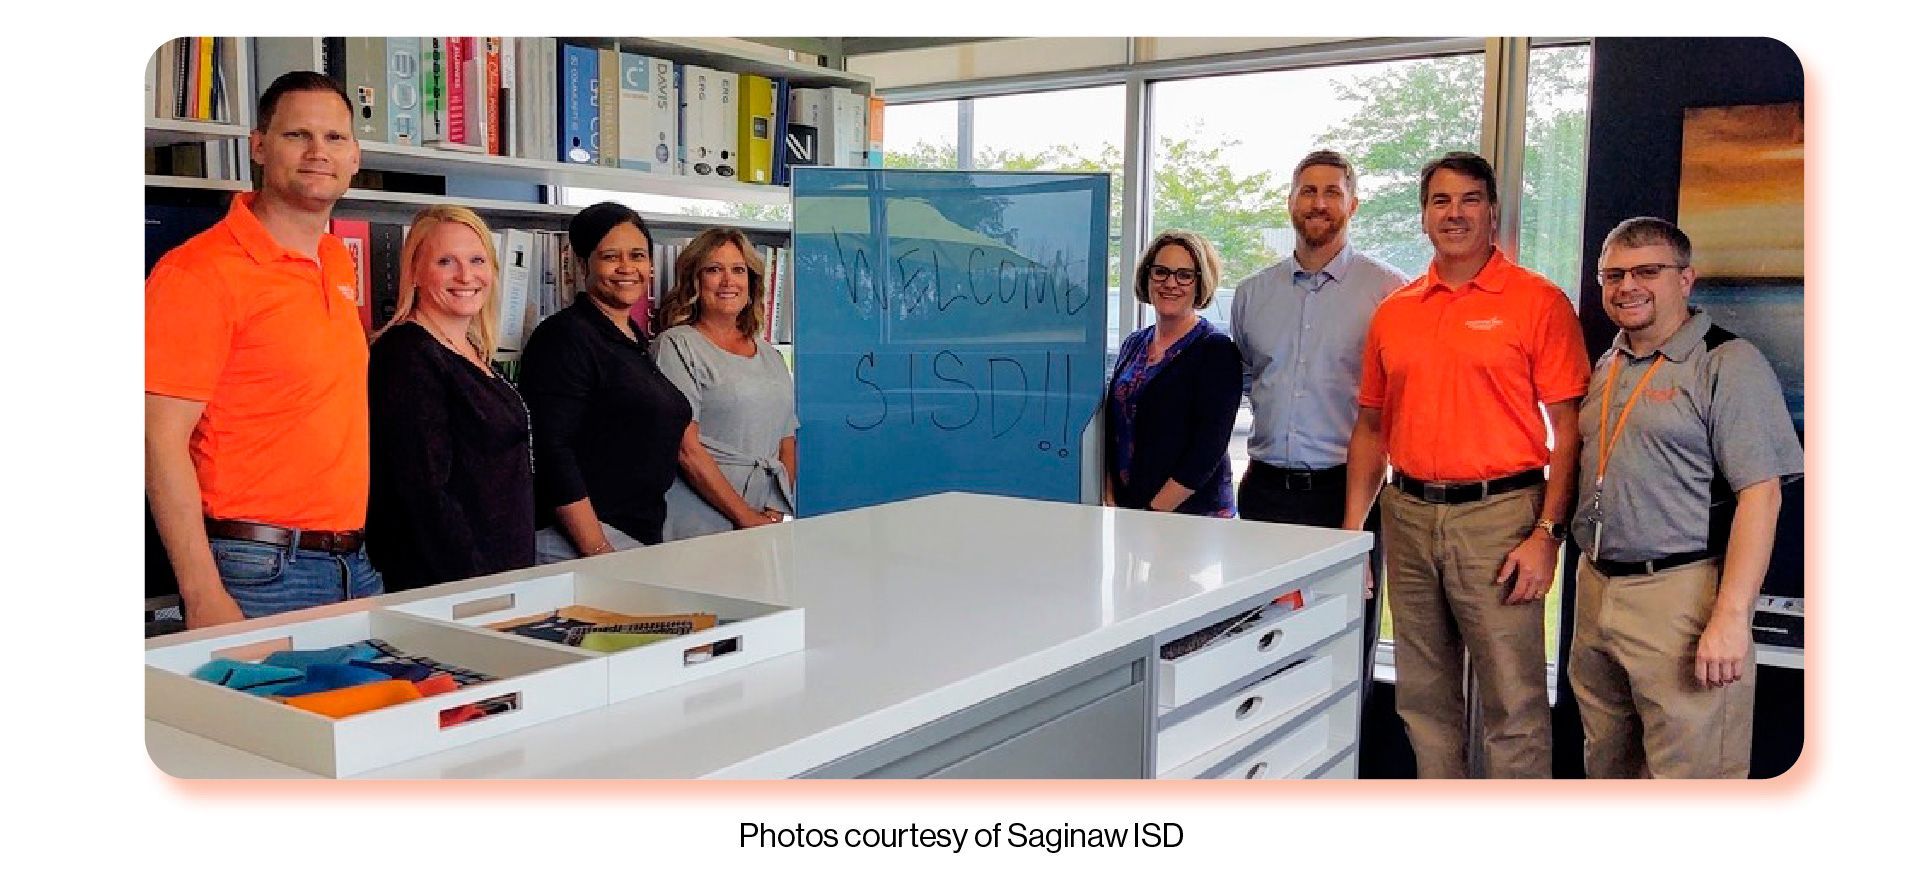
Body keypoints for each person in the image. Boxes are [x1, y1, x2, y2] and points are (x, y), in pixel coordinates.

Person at [1342, 151, 1590, 778]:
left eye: (1469, 200)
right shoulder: (1395, 311)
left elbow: (1570, 432)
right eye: (1440, 201)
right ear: (1424, 215)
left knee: (1514, 699)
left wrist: (1547, 537)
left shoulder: (1537, 301)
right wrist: (1352, 538)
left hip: (1502, 517)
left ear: (1492, 211)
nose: (1454, 214)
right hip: (1408, 514)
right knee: (1424, 696)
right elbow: (1371, 429)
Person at [145, 71, 383, 628]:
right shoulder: (197, 272)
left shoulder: (335, 259)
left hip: (352, 564)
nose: (317, 152)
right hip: (255, 569)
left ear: (354, 156)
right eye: (297, 135)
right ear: (258, 146)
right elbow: (159, 440)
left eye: (334, 138)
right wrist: (202, 593)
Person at [1568, 217, 1802, 778]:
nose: (1628, 285)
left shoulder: (1729, 363)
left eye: (1648, 270)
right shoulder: (1611, 361)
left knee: (1695, 782)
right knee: (1608, 766)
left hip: (1681, 598)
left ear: (1686, 279)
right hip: (1597, 589)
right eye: (1614, 274)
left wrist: (1730, 617)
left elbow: (1761, 498)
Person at [1230, 149, 1409, 693]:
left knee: (1343, 652)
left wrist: (1357, 520)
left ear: (1353, 204)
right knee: (1262, 645)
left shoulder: (1388, 292)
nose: (1319, 202)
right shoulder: (1252, 295)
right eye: (1307, 191)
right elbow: (1244, 383)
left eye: (1332, 192)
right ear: (1290, 203)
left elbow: (1394, 408)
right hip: (1264, 493)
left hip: (1346, 495)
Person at [364, 205, 535, 592]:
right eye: (446, 261)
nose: (466, 276)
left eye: (477, 260)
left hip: (503, 575)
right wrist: (476, 588)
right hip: (454, 585)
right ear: (416, 272)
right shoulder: (408, 354)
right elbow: (424, 493)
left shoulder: (471, 350)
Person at [518, 201, 692, 560]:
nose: (627, 268)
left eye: (638, 256)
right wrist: (596, 547)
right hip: (585, 540)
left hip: (633, 532)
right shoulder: (565, 337)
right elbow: (552, 451)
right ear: (583, 264)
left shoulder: (633, 337)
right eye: (611, 256)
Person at [652, 228, 798, 540]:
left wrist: (774, 509)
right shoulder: (677, 345)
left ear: (752, 281)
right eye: (714, 270)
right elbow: (685, 449)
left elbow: (787, 441)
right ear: (695, 280)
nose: (728, 281)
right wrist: (747, 518)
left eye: (738, 270)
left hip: (763, 520)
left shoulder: (770, 354)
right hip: (697, 520)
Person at [1104, 230, 1242, 517]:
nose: (1170, 283)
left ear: (1200, 282)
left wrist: (1153, 511)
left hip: (1188, 517)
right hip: (1130, 510)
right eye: (1161, 272)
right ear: (1147, 276)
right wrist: (1110, 492)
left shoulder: (1216, 351)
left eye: (1184, 275)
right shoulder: (1134, 344)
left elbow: (1208, 450)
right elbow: (1114, 426)